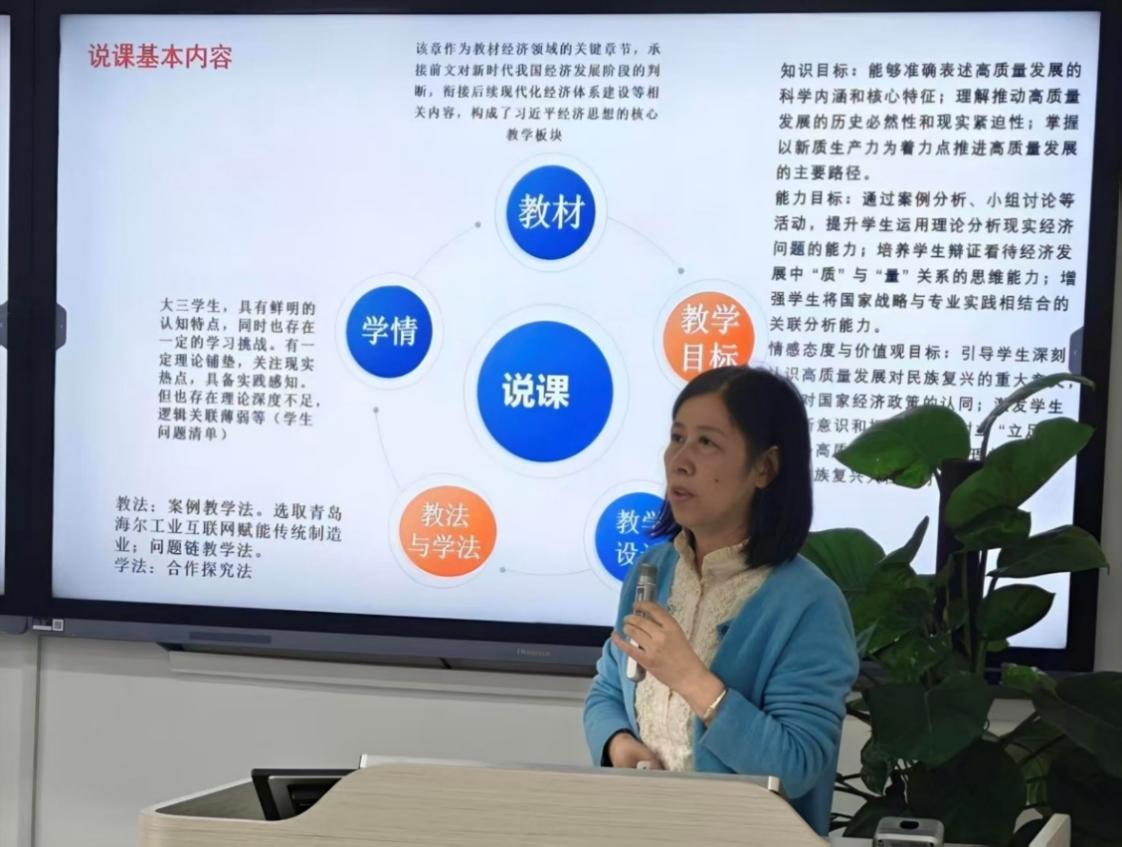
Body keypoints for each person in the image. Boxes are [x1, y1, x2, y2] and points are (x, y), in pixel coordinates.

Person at [583, 365, 858, 836]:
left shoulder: (810, 604)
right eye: (677, 437)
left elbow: (796, 766)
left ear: (765, 468)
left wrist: (692, 680)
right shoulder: (652, 571)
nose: (679, 460)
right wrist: (619, 745)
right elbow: (607, 691)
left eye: (706, 442)